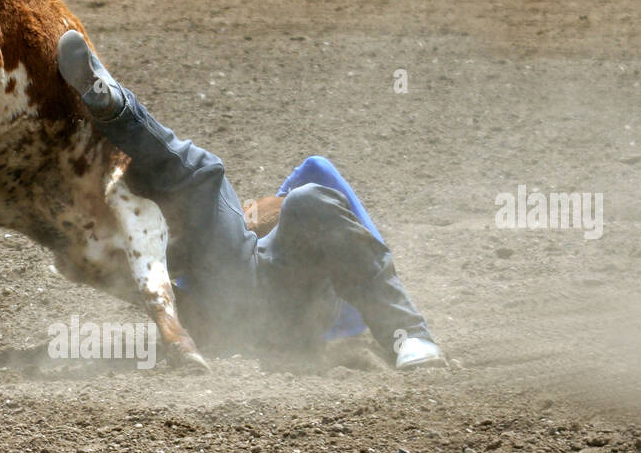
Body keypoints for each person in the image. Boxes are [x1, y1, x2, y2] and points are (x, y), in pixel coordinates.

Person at [56, 30, 446, 370]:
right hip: (228, 308)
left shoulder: (315, 221)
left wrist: (246, 215)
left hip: (282, 308)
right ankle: (108, 105)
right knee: (196, 183)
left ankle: (408, 333)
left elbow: (334, 199)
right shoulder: (238, 242)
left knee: (253, 189)